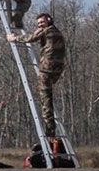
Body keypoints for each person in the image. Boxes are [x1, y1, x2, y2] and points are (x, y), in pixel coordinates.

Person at [8, 11, 65, 139]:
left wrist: (13, 38)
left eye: (42, 22)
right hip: (57, 69)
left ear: (49, 21)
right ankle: (51, 129)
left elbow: (30, 38)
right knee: (47, 97)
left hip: (47, 70)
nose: (40, 25)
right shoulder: (57, 31)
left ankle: (50, 133)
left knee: (46, 103)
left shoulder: (46, 30)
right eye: (38, 23)